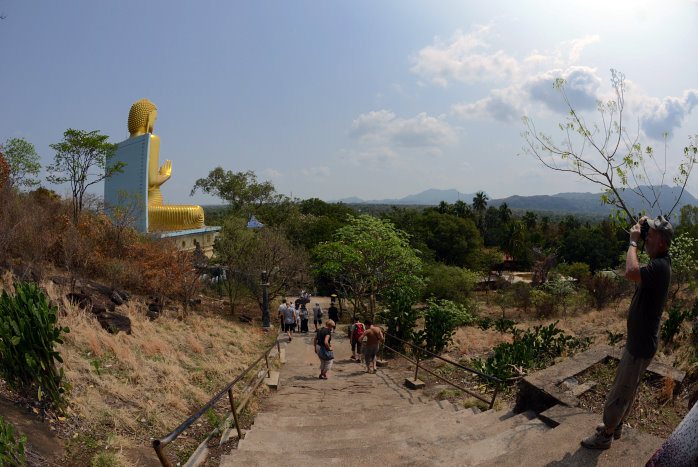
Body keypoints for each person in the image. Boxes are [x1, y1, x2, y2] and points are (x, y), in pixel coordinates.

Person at [581, 215, 673, 450]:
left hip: (640, 344)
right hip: (641, 341)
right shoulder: (659, 262)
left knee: (621, 390)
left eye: (650, 236)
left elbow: (631, 271)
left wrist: (632, 241)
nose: (645, 239)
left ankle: (606, 436)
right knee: (628, 388)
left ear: (662, 242)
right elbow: (639, 266)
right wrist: (644, 228)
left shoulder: (660, 267)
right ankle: (617, 426)